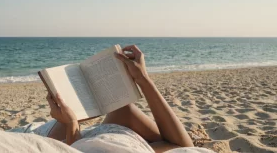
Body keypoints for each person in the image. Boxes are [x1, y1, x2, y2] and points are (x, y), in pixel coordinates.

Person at [0, 45, 213, 153]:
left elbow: (71, 150)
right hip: (77, 133)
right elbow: (181, 144)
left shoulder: (142, 141)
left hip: (69, 138)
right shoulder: (129, 119)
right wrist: (142, 79)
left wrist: (73, 123)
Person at [44, 45, 211, 153]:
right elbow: (184, 147)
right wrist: (143, 79)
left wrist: (72, 123)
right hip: (118, 139)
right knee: (124, 108)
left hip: (72, 141)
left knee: (123, 108)